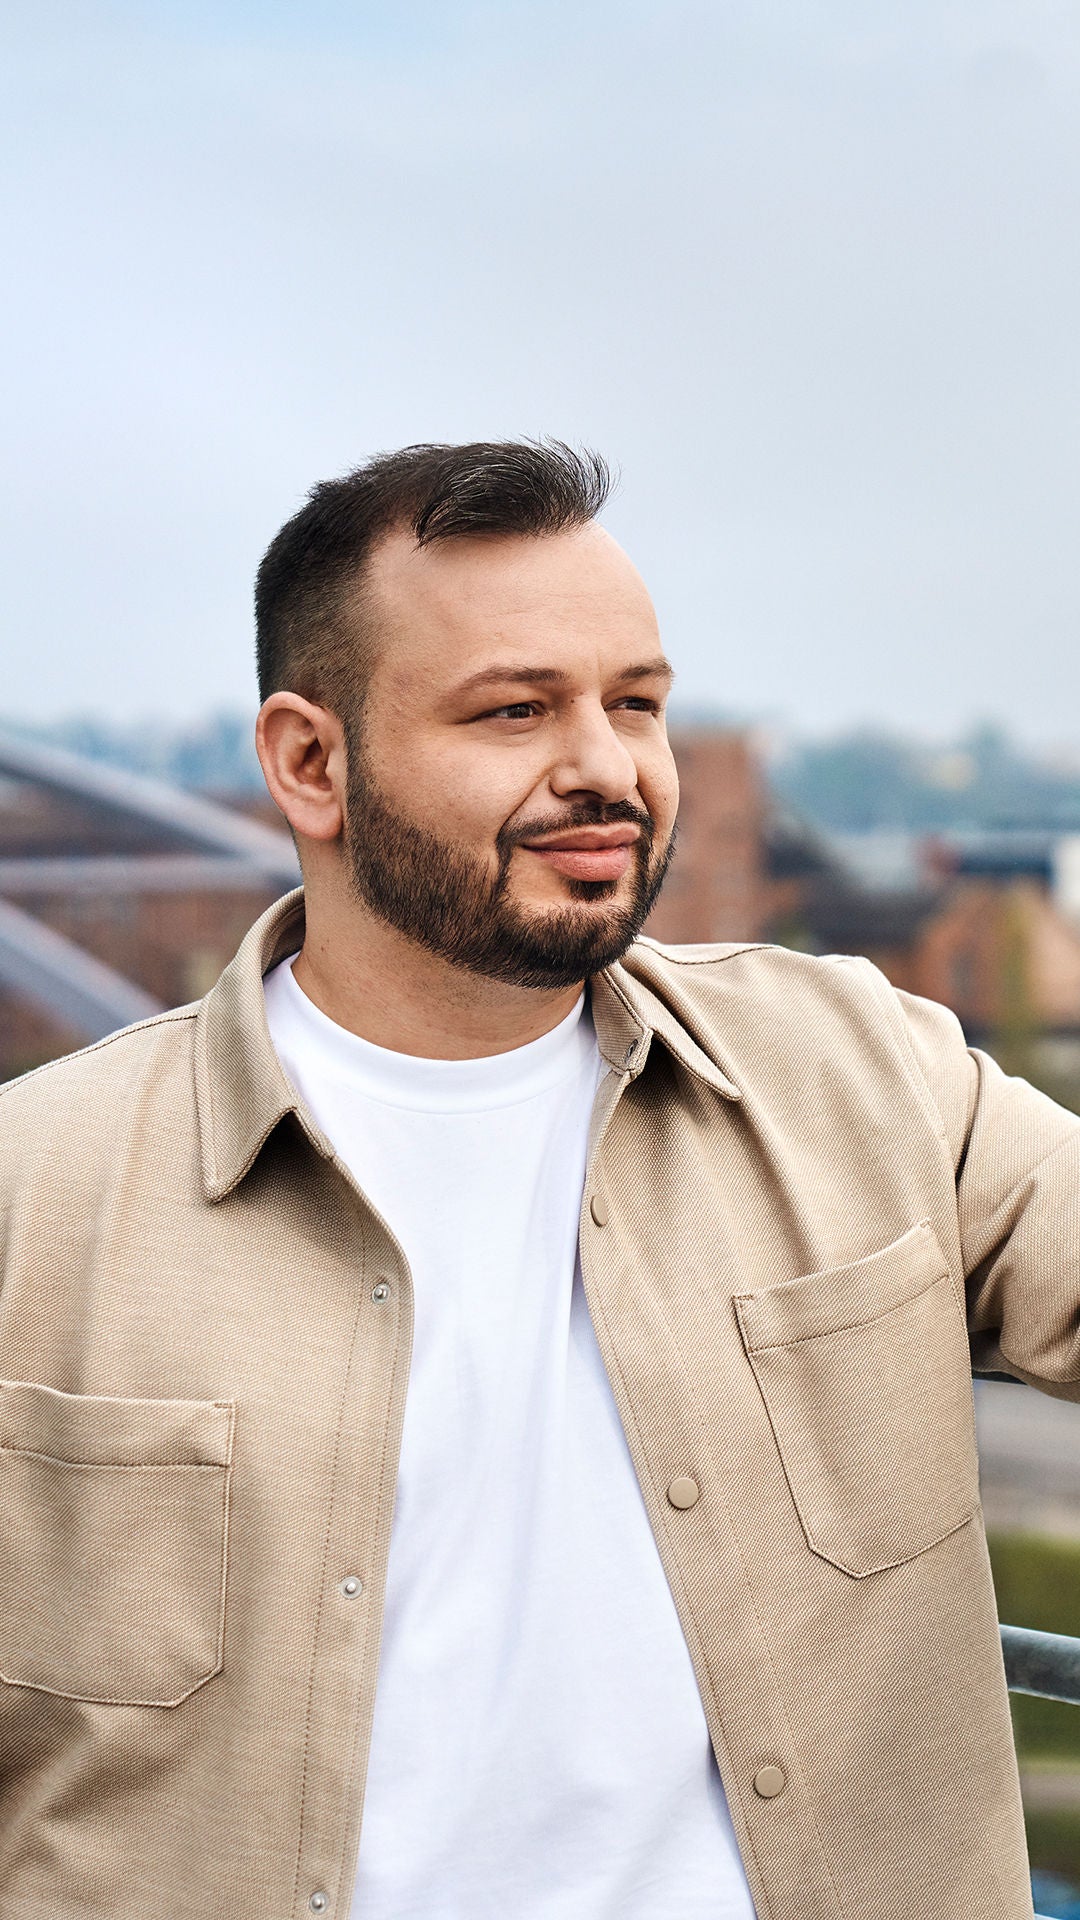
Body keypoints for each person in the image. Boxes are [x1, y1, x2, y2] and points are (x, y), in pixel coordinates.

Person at [0, 440, 1072, 1920]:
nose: (607, 767)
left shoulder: (864, 1075)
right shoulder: (35, 1195)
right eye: (516, 711)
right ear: (311, 763)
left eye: (636, 702)